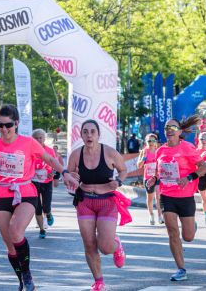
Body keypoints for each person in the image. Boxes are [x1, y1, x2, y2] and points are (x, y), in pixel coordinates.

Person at [0, 104, 77, 291]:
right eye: (0, 125)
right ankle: (22, 280)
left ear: (16, 123)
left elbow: (49, 159)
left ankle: (27, 274)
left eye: (8, 125)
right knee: (10, 245)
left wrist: (65, 172)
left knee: (15, 231)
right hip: (2, 194)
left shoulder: (28, 142)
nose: (4, 129)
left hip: (26, 192)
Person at [65, 120, 128, 291]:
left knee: (105, 247)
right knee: (89, 243)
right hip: (85, 201)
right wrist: (73, 177)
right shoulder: (76, 155)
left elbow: (123, 170)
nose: (89, 135)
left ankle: (116, 246)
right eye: (85, 132)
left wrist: (118, 181)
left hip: (106, 200)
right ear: (81, 135)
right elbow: (70, 174)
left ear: (98, 134)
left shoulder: (109, 152)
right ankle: (99, 281)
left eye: (92, 131)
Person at [145, 115, 206, 282]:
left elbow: (205, 167)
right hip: (167, 196)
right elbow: (160, 174)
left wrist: (189, 178)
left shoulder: (187, 148)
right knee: (172, 232)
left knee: (188, 237)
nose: (169, 131)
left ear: (180, 131)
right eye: (167, 128)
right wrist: (154, 180)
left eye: (173, 128)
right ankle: (181, 269)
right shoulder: (160, 150)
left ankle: (191, 225)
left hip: (185, 196)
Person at [31, 128, 57, 238]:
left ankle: (49, 213)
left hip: (46, 181)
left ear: (44, 139)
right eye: (36, 138)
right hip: (33, 182)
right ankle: (42, 230)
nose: (38, 140)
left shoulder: (50, 151)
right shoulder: (30, 150)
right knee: (37, 206)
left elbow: (55, 165)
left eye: (40, 138)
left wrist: (53, 174)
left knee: (46, 206)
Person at [137, 133, 162, 225]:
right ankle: (151, 215)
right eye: (149, 141)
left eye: (153, 140)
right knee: (150, 198)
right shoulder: (144, 151)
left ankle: (160, 216)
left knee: (158, 197)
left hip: (157, 177)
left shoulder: (159, 151)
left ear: (156, 142)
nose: (151, 142)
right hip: (148, 177)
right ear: (146, 142)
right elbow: (139, 166)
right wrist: (144, 158)